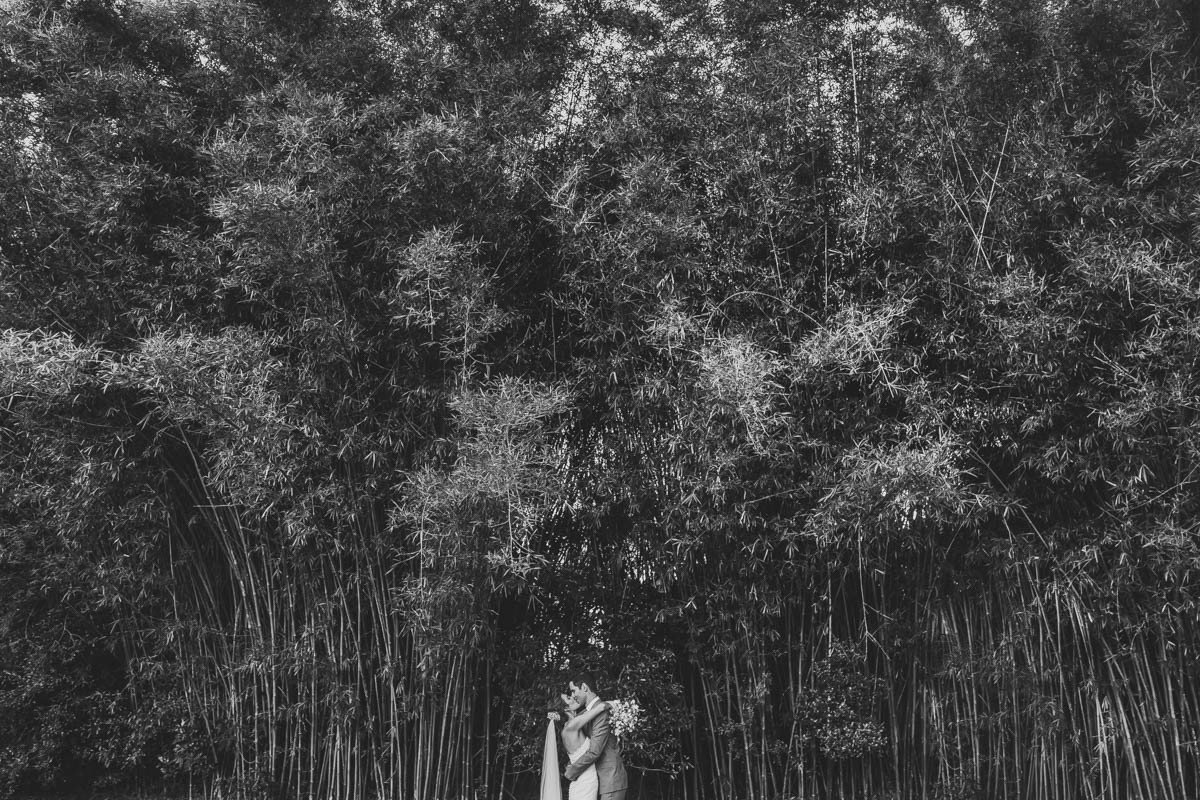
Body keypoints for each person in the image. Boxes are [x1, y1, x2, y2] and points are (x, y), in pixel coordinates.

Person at [563, 671, 628, 800]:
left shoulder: (601, 711)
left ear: (584, 687)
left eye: (574, 691)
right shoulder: (587, 713)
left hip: (610, 780)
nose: (573, 696)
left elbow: (594, 752)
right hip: (596, 781)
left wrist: (571, 771)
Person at [550, 692, 610, 800]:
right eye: (569, 698)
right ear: (565, 708)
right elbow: (601, 707)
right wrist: (617, 703)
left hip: (582, 780)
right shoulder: (572, 725)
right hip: (586, 782)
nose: (573, 697)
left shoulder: (569, 725)